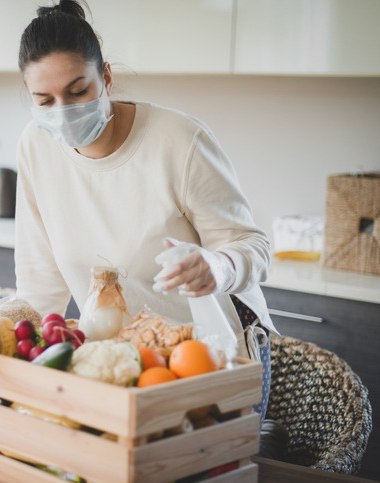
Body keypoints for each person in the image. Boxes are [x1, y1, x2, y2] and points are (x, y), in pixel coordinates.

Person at [14, 0, 276, 420]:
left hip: (215, 362)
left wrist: (217, 266)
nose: (62, 113)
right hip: (121, 371)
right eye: (44, 101)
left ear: (107, 78)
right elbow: (39, 285)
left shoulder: (177, 142)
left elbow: (254, 247)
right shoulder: (35, 146)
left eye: (78, 91)